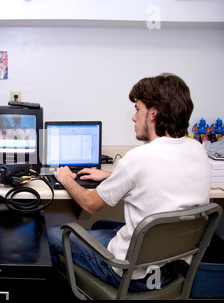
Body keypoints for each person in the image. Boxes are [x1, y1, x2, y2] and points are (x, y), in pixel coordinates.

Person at [47, 73, 211, 291]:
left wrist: (67, 179)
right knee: (101, 226)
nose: (134, 118)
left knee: (49, 234)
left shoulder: (139, 158)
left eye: (137, 109)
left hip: (131, 274)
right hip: (172, 267)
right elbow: (156, 179)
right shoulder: (198, 150)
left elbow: (89, 204)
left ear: (153, 113)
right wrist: (111, 176)